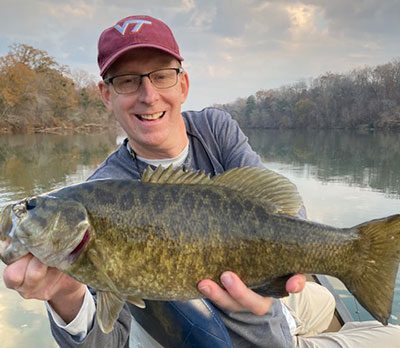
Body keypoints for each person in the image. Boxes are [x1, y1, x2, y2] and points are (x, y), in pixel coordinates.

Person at [2, 14, 400, 348]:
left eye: (161, 76)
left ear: (183, 84)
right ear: (106, 94)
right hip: (246, 335)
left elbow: (285, 207)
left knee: (318, 297)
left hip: (274, 302)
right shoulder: (103, 186)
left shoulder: (213, 128)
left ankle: (347, 263)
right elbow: (109, 339)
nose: (148, 95)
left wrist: (279, 280)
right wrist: (66, 293)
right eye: (127, 81)